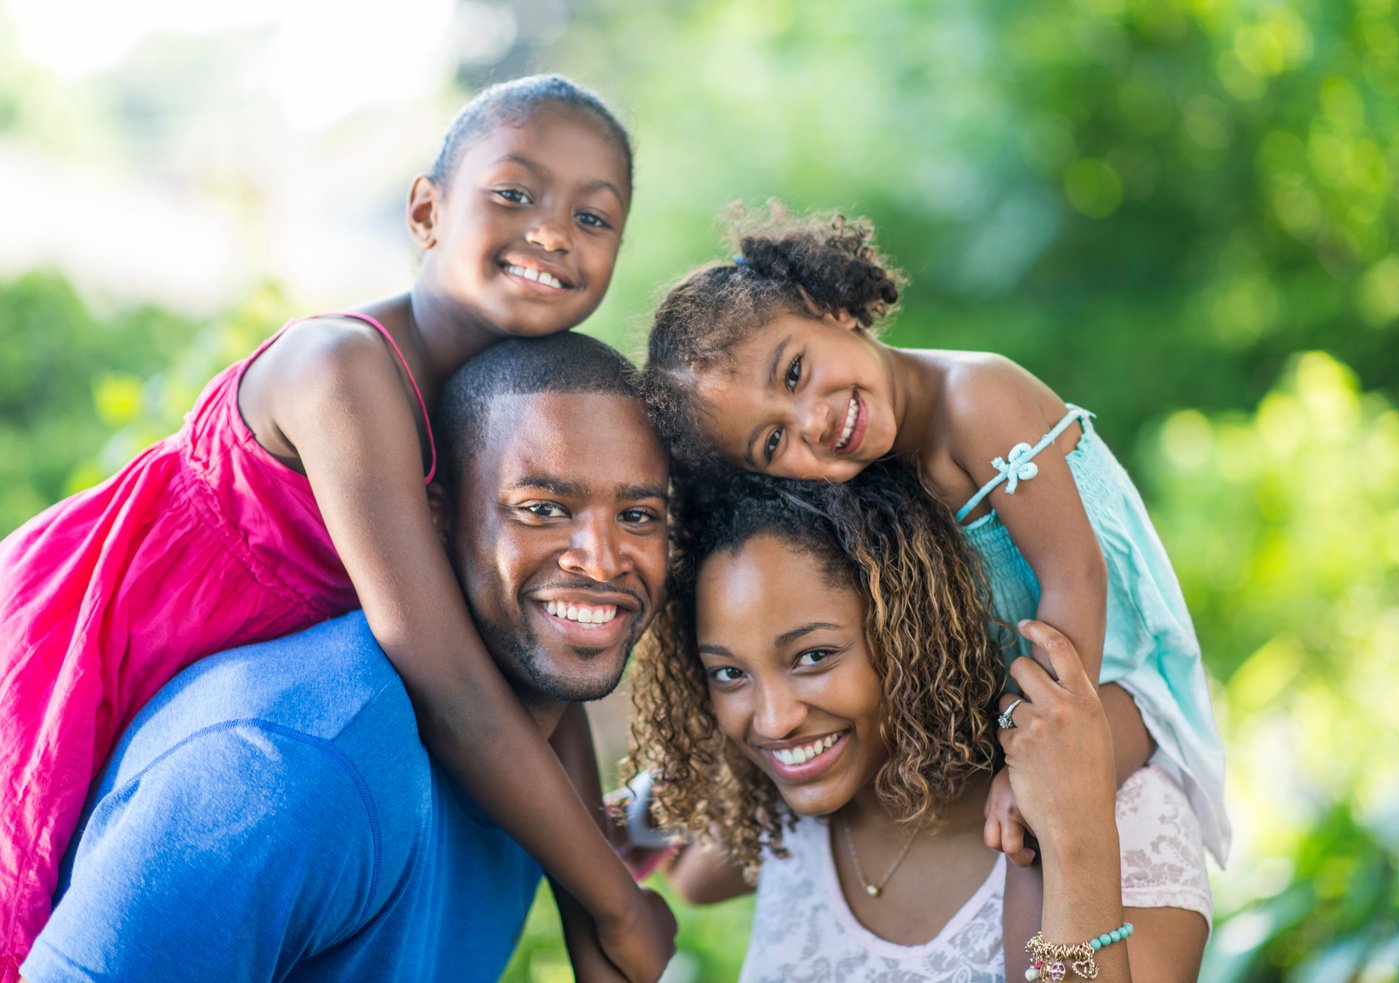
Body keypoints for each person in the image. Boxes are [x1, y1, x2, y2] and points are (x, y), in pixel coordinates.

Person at [0, 76, 673, 982]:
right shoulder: (345, 369)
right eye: (514, 193)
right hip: (118, 633)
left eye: (594, 218)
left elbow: (529, 668)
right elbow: (457, 692)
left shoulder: (503, 412)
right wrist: (617, 903)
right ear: (426, 211)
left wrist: (589, 885)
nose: (553, 231)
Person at [18, 333, 674, 983]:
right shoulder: (290, 772)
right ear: (436, 520)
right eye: (542, 509)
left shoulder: (533, 777)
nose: (601, 557)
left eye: (640, 516)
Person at [640, 205, 1230, 877]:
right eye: (773, 441)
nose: (814, 421)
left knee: (1026, 834)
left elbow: (1076, 579)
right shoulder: (865, 468)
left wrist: (1027, 755)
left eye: (796, 372)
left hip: (1115, 677)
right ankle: (658, 814)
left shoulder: (977, 398)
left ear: (826, 305)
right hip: (1016, 694)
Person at [626, 462, 1211, 981]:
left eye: (813, 657)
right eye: (729, 674)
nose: (775, 721)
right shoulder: (789, 815)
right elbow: (688, 875)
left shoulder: (1130, 817)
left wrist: (1068, 840)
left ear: (913, 637)